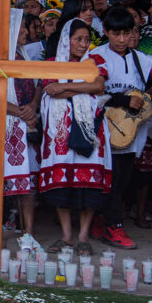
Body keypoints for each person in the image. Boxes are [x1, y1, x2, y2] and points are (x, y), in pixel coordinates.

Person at [86, 6, 152, 249]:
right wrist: (123, 100)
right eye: (117, 34)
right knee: (110, 180)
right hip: (105, 128)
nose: (122, 39)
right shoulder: (96, 55)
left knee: (122, 179)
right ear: (106, 31)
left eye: (127, 33)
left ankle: (102, 220)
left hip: (128, 131)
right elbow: (94, 90)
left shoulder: (138, 58)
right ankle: (112, 226)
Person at [39, 18, 110, 254]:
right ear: (66, 40)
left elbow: (98, 85)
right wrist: (79, 86)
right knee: (62, 183)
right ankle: (67, 236)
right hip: (60, 131)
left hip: (89, 129)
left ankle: (83, 237)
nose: (82, 44)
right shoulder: (52, 63)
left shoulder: (95, 61)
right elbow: (51, 91)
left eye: (86, 40)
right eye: (78, 39)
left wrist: (66, 87)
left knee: (88, 183)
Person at [0, 8, 40, 236]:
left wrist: (32, 106)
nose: (26, 32)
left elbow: (36, 86)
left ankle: (28, 234)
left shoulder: (22, 56)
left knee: (26, 185)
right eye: (22, 27)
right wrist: (22, 112)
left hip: (23, 128)